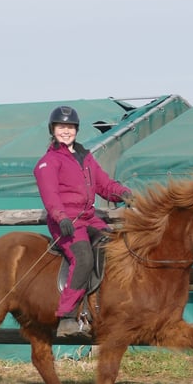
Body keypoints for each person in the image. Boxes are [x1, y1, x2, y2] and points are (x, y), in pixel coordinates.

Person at [34, 105, 133, 337]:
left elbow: (104, 185)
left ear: (76, 130)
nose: (65, 131)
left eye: (69, 127)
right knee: (83, 258)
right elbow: (50, 196)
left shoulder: (85, 157)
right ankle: (67, 317)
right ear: (53, 130)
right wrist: (61, 217)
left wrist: (124, 193)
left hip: (89, 218)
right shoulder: (48, 162)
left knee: (115, 246)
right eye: (61, 127)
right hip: (66, 222)